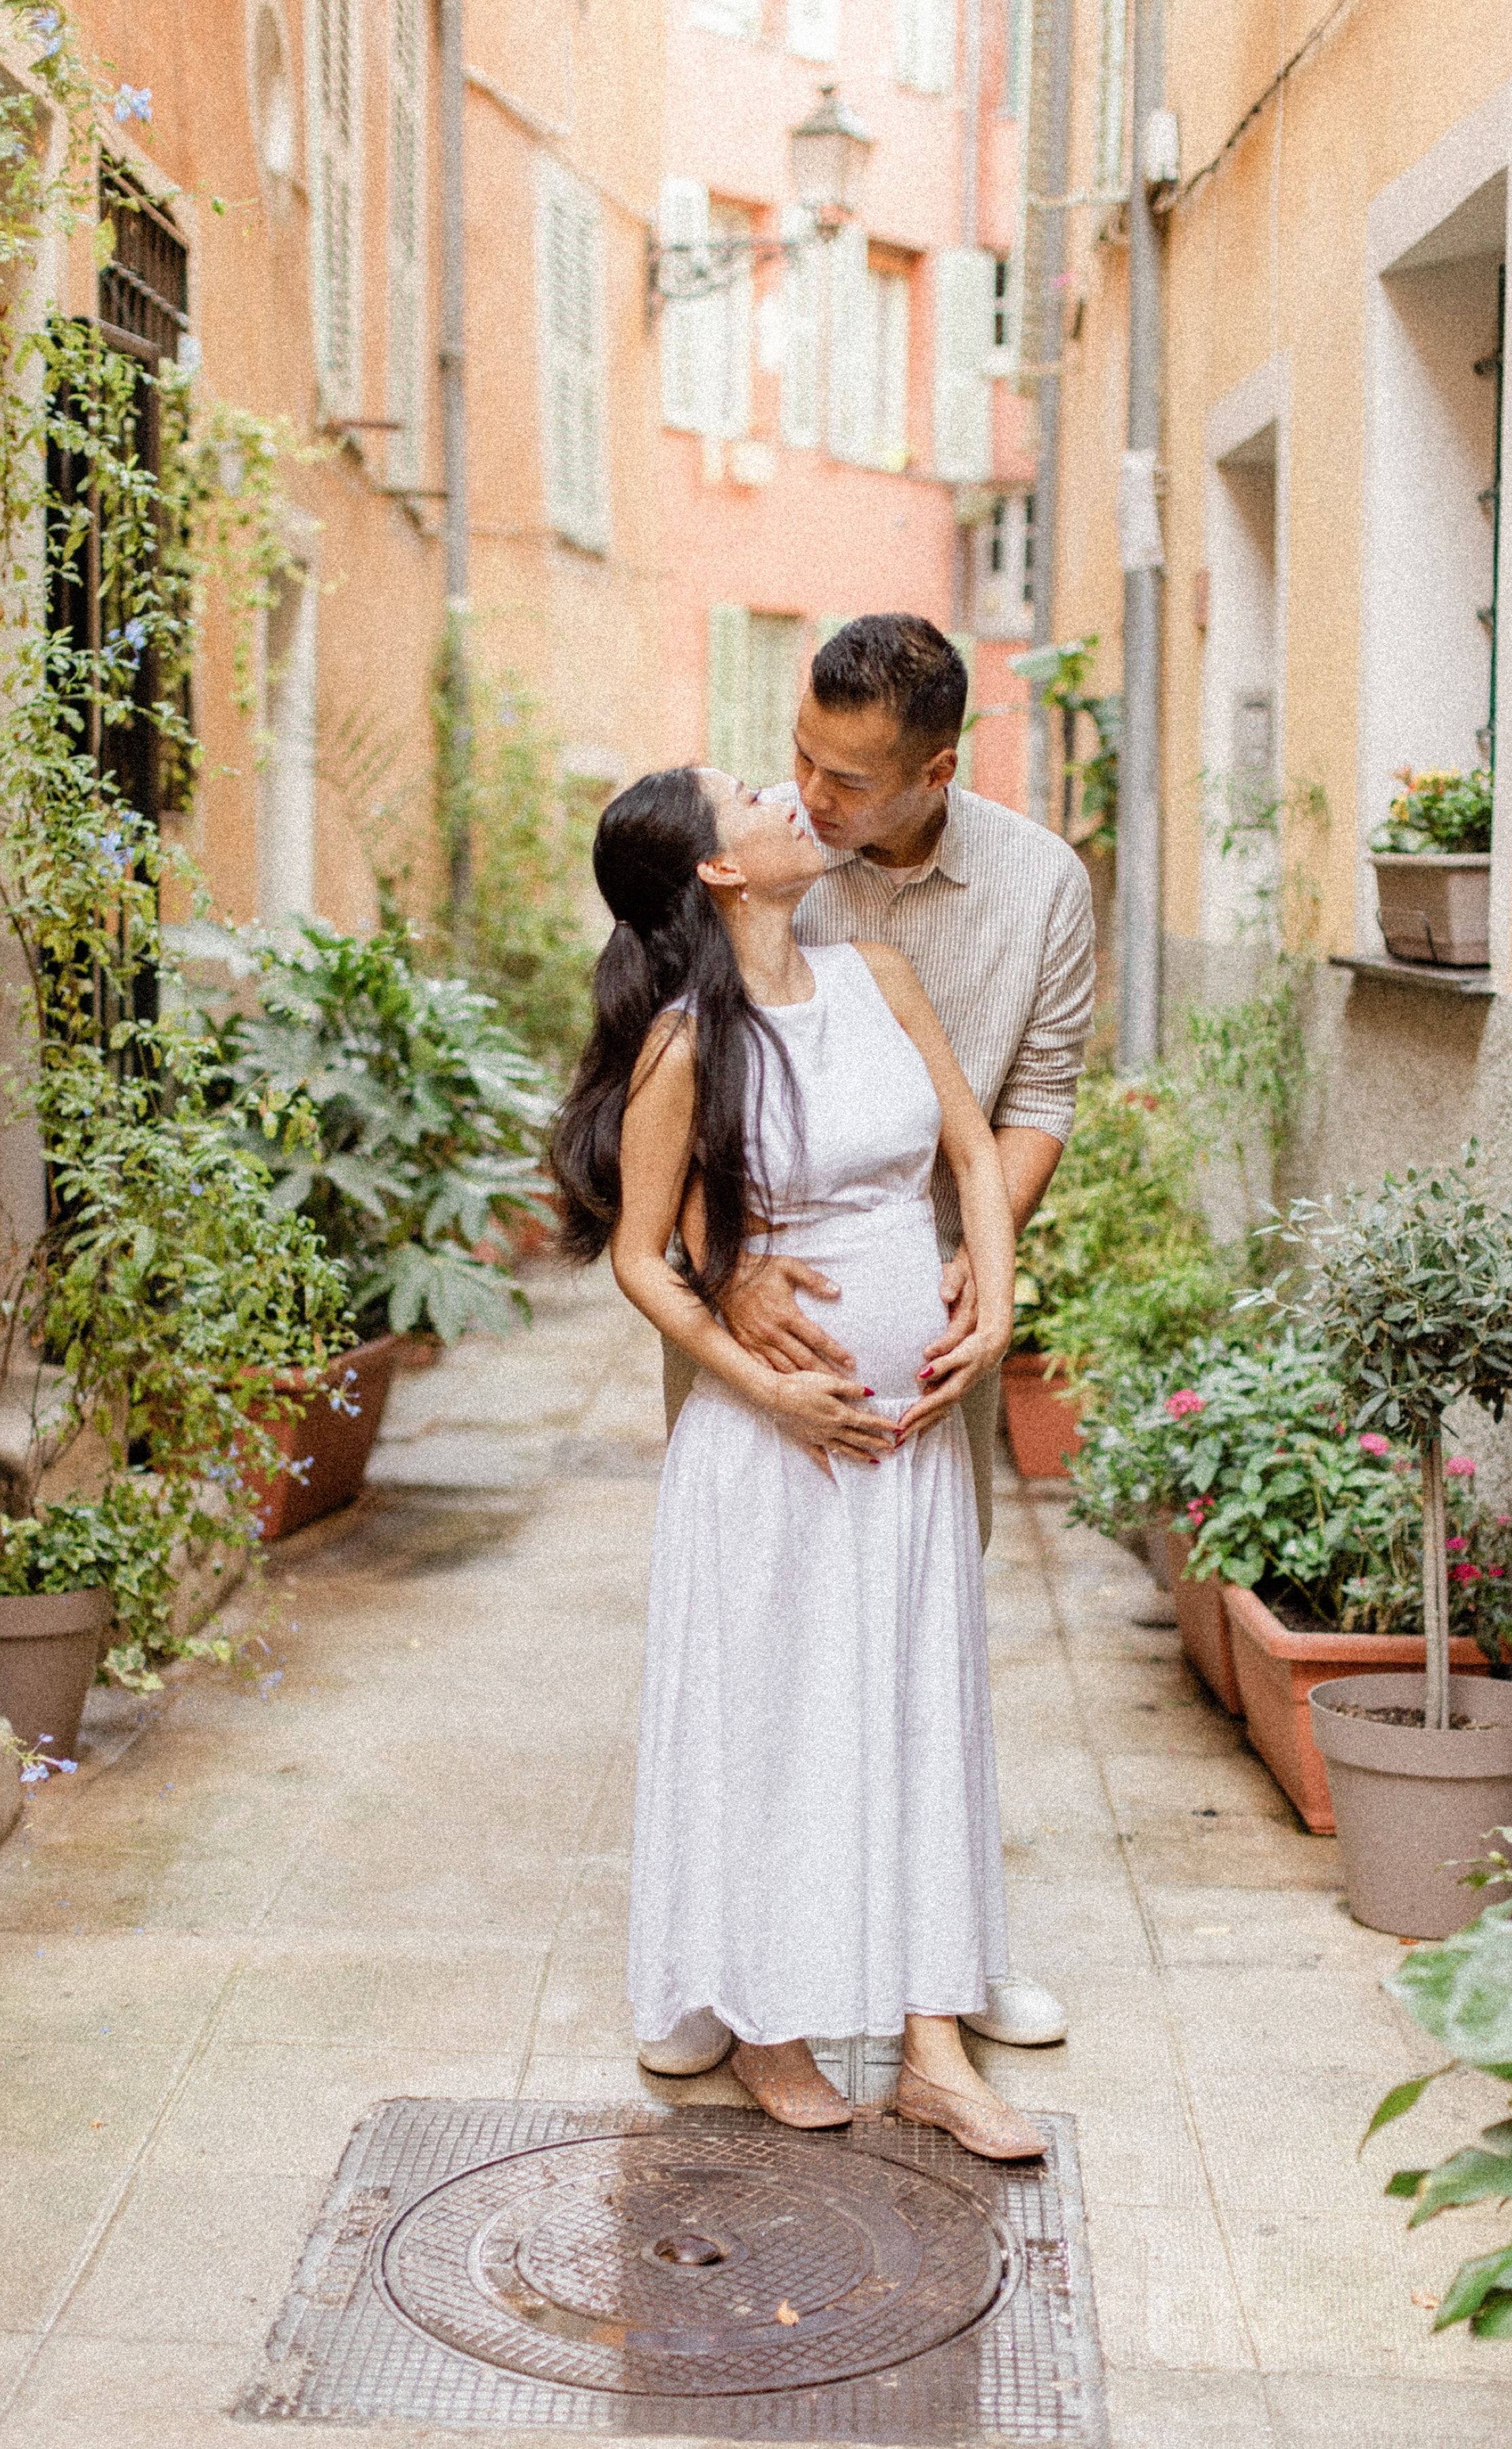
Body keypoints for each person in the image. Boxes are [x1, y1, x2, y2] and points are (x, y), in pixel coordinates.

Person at [553, 763, 1042, 2159]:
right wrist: (774, 1388)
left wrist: (993, 1308)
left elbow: (967, 1144)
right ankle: (769, 2022)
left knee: (917, 1706)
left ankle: (932, 2047)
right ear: (718, 871)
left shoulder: (881, 972)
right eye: (755, 797)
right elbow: (643, 1258)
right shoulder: (684, 1044)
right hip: (778, 1452)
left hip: (913, 1436)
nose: (790, 798)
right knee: (777, 1718)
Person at [657, 614, 1096, 2071]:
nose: (816, 797)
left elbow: (1033, 1097)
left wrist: (982, 1253)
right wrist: (728, 1277)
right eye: (799, 759)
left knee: (918, 1634)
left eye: (850, 778)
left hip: (924, 1335)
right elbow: (659, 1083)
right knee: (754, 1634)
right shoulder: (773, 869)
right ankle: (731, 1970)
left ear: (937, 772)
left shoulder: (1040, 886)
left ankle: (941, 1961)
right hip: (765, 1316)